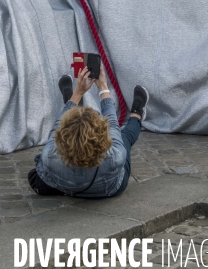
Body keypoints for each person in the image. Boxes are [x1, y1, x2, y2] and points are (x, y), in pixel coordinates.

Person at [28, 64, 149, 198]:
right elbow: (113, 124)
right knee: (124, 137)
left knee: (37, 176)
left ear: (63, 135)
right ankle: (137, 113)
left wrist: (78, 93)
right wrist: (103, 87)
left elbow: (58, 124)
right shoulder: (115, 156)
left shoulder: (49, 155)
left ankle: (70, 99)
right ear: (101, 135)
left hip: (65, 187)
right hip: (107, 189)